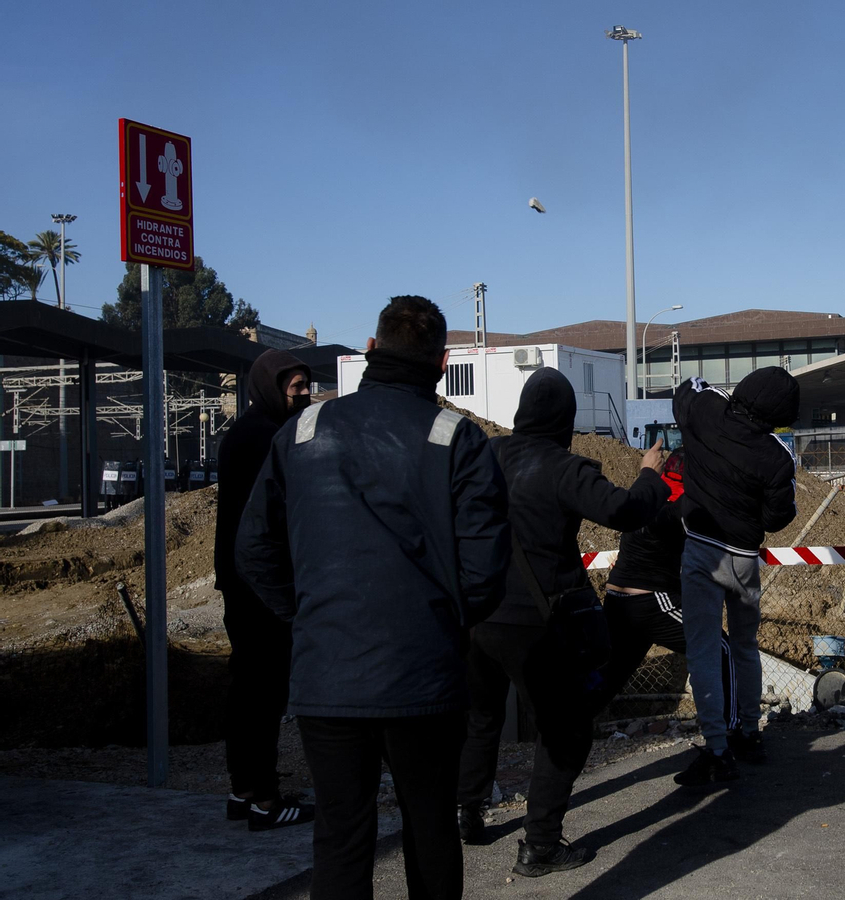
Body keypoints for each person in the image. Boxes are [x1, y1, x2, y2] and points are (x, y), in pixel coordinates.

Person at [235, 296, 509, 900]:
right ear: (440, 364)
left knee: (341, 836)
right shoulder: (456, 438)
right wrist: (444, 623)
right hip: (425, 680)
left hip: (327, 677)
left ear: (371, 350)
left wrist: (306, 615)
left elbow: (253, 547)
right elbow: (486, 571)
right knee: (431, 827)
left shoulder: (302, 431)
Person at [455, 368, 669, 878]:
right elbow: (625, 510)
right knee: (566, 730)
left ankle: (467, 816)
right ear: (566, 419)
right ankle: (541, 845)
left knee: (481, 718)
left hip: (476, 614)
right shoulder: (565, 468)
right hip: (536, 621)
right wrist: (649, 473)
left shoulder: (486, 454)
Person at [672, 368, 800, 785]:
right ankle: (750, 731)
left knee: (704, 650)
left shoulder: (706, 411)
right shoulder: (776, 457)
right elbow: (778, 517)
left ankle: (716, 747)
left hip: (699, 550)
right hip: (743, 558)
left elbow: (685, 391)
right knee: (746, 646)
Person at [214, 348, 314, 831]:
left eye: (304, 387)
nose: (303, 396)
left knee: (250, 689)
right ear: (271, 389)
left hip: (244, 581)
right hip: (260, 585)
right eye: (294, 389)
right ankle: (265, 802)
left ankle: (245, 789)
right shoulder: (264, 438)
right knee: (264, 691)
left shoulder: (252, 432)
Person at [588, 449, 736, 733]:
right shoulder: (680, 504)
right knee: (721, 648)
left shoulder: (645, 494)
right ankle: (732, 729)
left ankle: (561, 735)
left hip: (619, 600)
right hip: (651, 601)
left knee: (607, 679)